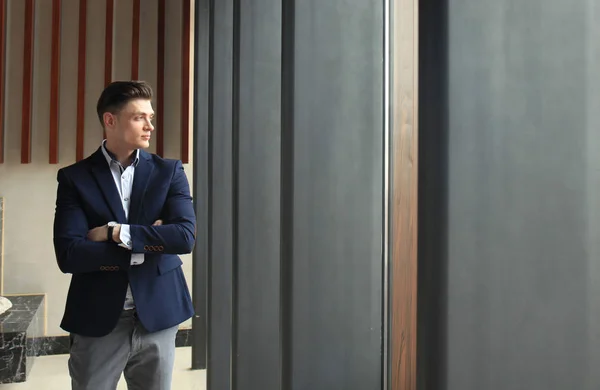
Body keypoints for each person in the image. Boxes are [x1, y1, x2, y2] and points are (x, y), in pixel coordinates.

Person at [53, 80, 196, 390]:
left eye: (151, 117)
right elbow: (70, 254)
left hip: (159, 314)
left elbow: (184, 237)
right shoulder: (75, 179)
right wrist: (152, 241)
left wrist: (115, 232)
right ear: (110, 120)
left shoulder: (169, 172)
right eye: (139, 117)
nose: (150, 126)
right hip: (98, 317)